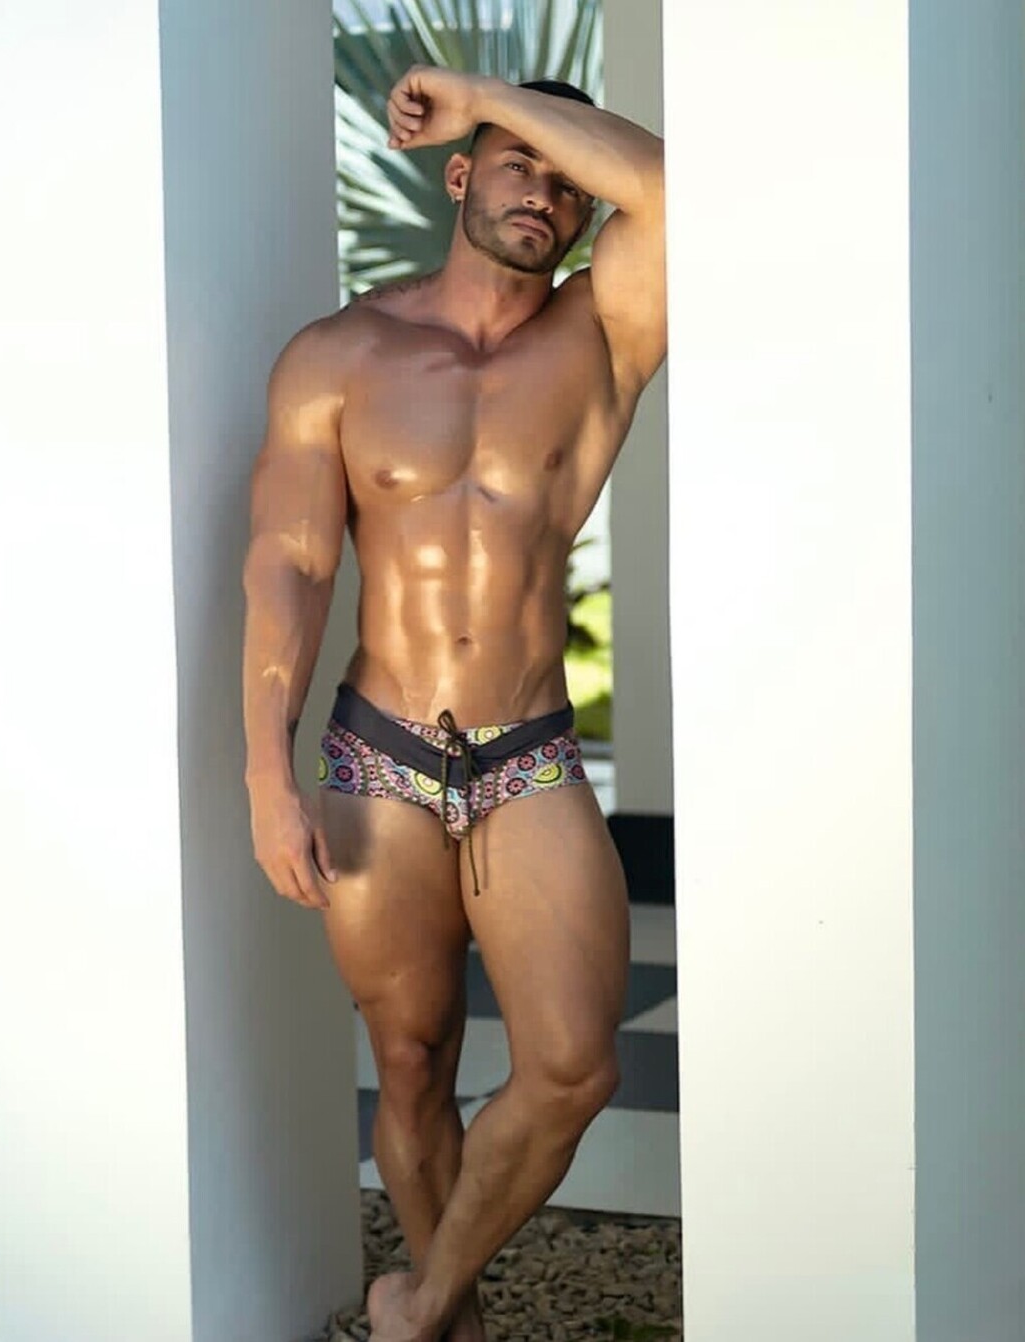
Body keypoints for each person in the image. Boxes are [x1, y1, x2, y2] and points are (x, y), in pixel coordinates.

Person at [243, 63, 666, 1342]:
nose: (545, 191)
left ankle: (417, 1303)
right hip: (376, 753)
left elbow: (671, 191)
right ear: (461, 175)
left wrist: (484, 93)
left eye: (565, 176)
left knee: (574, 1063)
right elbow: (292, 563)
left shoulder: (603, 334)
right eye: (514, 163)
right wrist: (265, 771)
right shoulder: (339, 355)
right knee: (412, 1059)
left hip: (526, 752)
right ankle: (454, 1322)